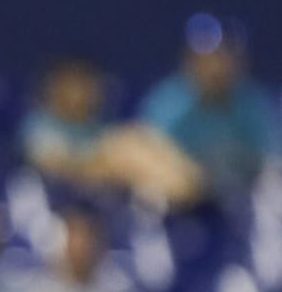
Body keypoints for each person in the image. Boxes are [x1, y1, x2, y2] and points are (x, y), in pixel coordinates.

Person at [138, 13, 282, 202]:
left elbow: (275, 161)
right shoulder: (168, 102)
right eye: (207, 58)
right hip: (180, 203)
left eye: (223, 56)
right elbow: (148, 158)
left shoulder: (253, 102)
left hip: (242, 199)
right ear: (190, 60)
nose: (215, 66)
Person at [22, 57, 203, 209]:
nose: (81, 93)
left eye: (86, 84)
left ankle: (187, 185)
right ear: (56, 88)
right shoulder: (41, 124)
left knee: (135, 137)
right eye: (74, 84)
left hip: (108, 196)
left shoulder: (94, 126)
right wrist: (109, 167)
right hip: (63, 205)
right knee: (127, 146)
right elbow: (56, 170)